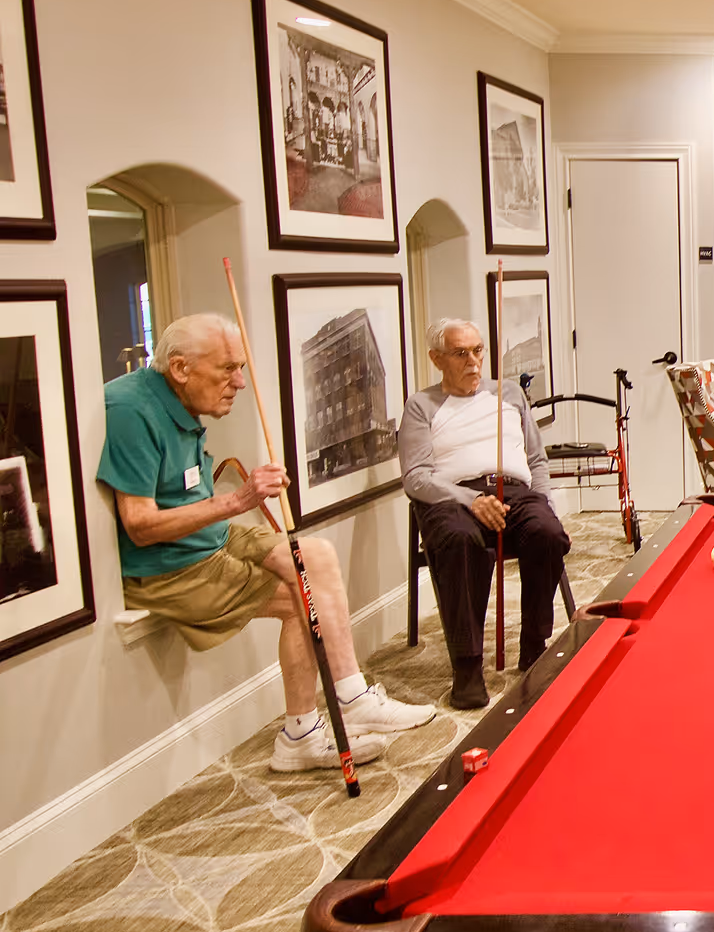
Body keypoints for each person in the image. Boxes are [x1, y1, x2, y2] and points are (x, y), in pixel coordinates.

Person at [98, 315, 433, 773]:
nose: (238, 381)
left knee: (315, 555)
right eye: (227, 370)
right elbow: (140, 525)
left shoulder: (179, 395)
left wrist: (233, 505)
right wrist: (238, 500)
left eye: (241, 368)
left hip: (207, 536)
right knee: (302, 597)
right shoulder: (131, 411)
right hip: (168, 564)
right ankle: (299, 737)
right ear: (179, 369)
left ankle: (352, 693)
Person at [399, 319, 570, 709]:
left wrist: (546, 504)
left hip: (514, 490)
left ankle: (534, 644)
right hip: (453, 498)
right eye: (461, 353)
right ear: (436, 359)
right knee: (462, 542)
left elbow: (536, 460)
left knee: (546, 532)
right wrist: (468, 500)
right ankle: (468, 665)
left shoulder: (508, 394)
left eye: (478, 351)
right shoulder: (421, 406)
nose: (473, 362)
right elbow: (416, 478)